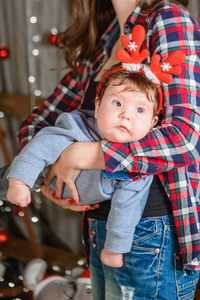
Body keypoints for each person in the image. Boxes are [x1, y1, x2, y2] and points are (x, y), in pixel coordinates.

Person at [1, 0, 200, 299]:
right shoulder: (111, 36)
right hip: (99, 228)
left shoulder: (169, 18)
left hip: (147, 233)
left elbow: (184, 138)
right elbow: (39, 120)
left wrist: (79, 155)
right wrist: (45, 173)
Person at [7, 54, 162, 267]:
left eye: (140, 110)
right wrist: (20, 182)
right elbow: (40, 147)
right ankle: (17, 180)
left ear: (153, 123)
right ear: (97, 106)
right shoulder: (77, 126)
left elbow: (126, 209)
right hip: (42, 172)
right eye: (117, 103)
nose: (126, 115)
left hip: (86, 206)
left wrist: (115, 248)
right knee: (17, 171)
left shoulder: (138, 166)